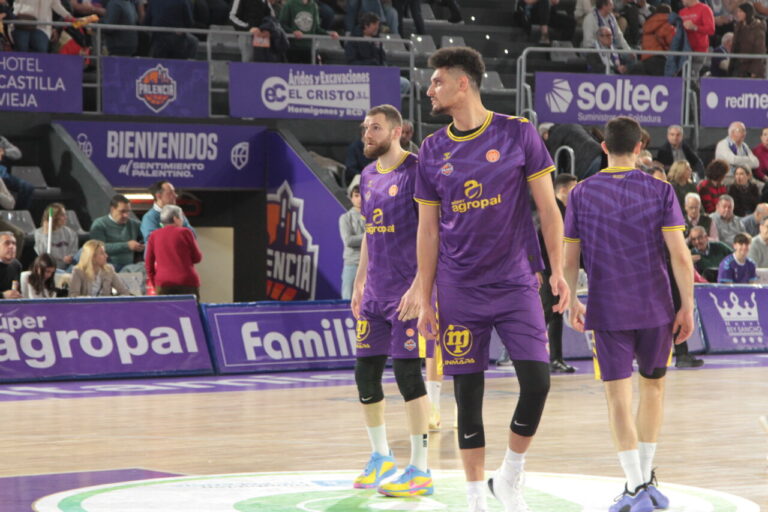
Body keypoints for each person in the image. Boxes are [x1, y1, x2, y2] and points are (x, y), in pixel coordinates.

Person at [406, 46, 569, 512]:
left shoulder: (517, 134)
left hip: (517, 281)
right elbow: (429, 229)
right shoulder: (432, 150)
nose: (429, 89)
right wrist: (425, 293)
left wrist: (557, 269)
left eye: (437, 81)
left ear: (463, 84)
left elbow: (548, 209)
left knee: (537, 383)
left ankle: (510, 476)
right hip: (459, 289)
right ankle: (477, 497)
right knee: (467, 396)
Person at [562, 116, 694, 512]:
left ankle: (637, 485)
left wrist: (572, 301)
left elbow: (569, 260)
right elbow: (681, 258)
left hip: (608, 311)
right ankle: (644, 483)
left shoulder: (581, 193)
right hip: (656, 309)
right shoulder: (660, 189)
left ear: (604, 147)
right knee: (653, 388)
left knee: (617, 397)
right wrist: (687, 306)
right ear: (640, 147)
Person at [349, 105, 433, 497]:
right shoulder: (367, 175)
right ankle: (381, 456)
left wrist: (422, 285)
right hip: (375, 293)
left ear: (397, 131)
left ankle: (420, 467)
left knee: (407, 376)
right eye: (366, 127)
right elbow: (369, 231)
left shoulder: (418, 171)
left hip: (407, 294)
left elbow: (434, 233)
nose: (367, 134)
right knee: (365, 373)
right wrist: (360, 281)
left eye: (376, 128)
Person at [344, 12, 410, 96]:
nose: (377, 27)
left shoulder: (377, 38)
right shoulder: (353, 40)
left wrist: (385, 68)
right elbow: (351, 63)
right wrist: (371, 63)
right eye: (374, 25)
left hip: (379, 74)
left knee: (405, 83)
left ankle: (389, 106)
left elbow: (382, 57)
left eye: (378, 25)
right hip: (363, 77)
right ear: (366, 25)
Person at [145, 205, 202, 297]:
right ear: (175, 218)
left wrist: (155, 282)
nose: (183, 220)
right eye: (181, 217)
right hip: (186, 281)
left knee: (165, 311)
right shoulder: (185, 232)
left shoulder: (153, 235)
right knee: (189, 311)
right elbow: (197, 258)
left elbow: (148, 263)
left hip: (163, 283)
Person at [89, 194, 144, 272]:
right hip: (108, 266)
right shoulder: (99, 224)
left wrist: (142, 245)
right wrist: (127, 246)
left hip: (129, 266)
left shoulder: (134, 224)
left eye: (128, 212)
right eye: (122, 211)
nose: (126, 215)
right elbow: (98, 248)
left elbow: (147, 238)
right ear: (112, 209)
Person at [33, 203, 78, 271]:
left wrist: (70, 257)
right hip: (49, 269)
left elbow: (74, 251)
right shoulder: (39, 233)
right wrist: (46, 234)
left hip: (67, 268)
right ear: (54, 217)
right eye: (62, 215)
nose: (66, 217)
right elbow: (42, 254)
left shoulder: (70, 233)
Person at [633, 4, 674, 76]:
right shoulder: (667, 24)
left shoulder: (648, 23)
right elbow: (672, 42)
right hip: (660, 59)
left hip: (645, 59)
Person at [339, 185, 364, 299]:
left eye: (361, 195)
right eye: (356, 195)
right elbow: (348, 240)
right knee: (348, 298)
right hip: (352, 264)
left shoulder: (374, 216)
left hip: (371, 265)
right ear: (351, 198)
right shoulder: (345, 218)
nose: (359, 199)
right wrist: (370, 235)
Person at [679, 0, 715, 78]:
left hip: (699, 50)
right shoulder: (682, 12)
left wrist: (695, 27)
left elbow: (711, 30)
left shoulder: (705, 9)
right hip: (684, 50)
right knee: (682, 76)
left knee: (692, 76)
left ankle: (694, 89)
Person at [730, 3, 766, 77]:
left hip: (749, 69)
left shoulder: (757, 28)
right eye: (737, 11)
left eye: (740, 12)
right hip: (737, 66)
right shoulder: (738, 27)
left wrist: (754, 71)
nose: (738, 14)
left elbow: (759, 51)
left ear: (747, 13)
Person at [0, 136, 35, 211]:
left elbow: (18, 153)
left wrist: (4, 151)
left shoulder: (1, 140)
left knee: (27, 187)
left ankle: (19, 214)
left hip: (3, 174)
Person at [0, 232, 22, 299]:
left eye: (14, 243)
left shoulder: (16, 265)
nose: (12, 246)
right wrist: (2, 295)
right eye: (7, 243)